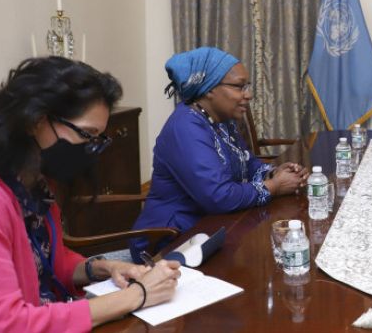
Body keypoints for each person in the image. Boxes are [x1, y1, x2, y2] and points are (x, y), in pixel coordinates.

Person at [0, 57, 180, 330]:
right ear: (35, 121)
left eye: (98, 139)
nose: (91, 149)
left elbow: (51, 262)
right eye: (86, 134)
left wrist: (104, 267)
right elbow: (6, 324)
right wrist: (137, 295)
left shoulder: (36, 184)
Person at [130, 47, 307, 262]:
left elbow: (247, 163)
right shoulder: (185, 127)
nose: (248, 94)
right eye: (239, 86)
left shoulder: (220, 121)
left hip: (210, 228)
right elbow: (219, 196)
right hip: (168, 241)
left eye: (247, 86)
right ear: (209, 89)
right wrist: (275, 186)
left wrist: (273, 173)